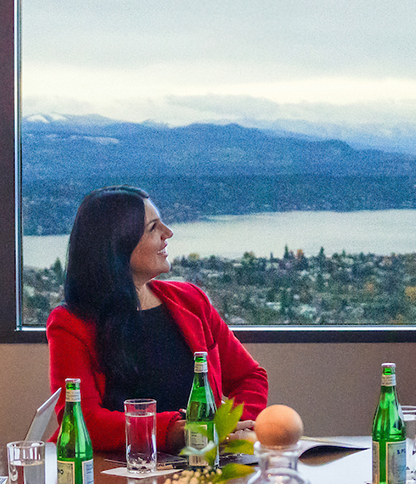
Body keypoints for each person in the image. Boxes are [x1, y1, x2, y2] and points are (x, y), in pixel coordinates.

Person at [47, 186, 268, 452]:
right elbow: (83, 421)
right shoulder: (70, 323)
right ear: (118, 245)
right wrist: (175, 432)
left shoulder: (191, 301)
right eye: (153, 228)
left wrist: (227, 428)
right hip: (111, 469)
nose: (168, 232)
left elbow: (250, 377)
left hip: (200, 465)